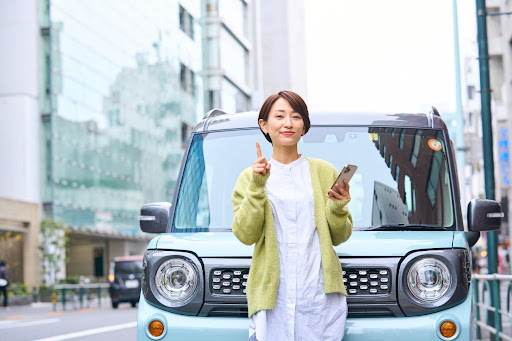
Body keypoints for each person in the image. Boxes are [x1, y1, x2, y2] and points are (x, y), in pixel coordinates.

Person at [232, 90, 353, 341]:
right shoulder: (250, 176)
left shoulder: (323, 171)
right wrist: (257, 185)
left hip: (320, 296)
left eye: (296, 117)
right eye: (279, 116)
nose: (288, 123)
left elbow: (340, 236)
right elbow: (245, 234)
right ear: (264, 125)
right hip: (273, 299)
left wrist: (338, 207)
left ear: (304, 127)